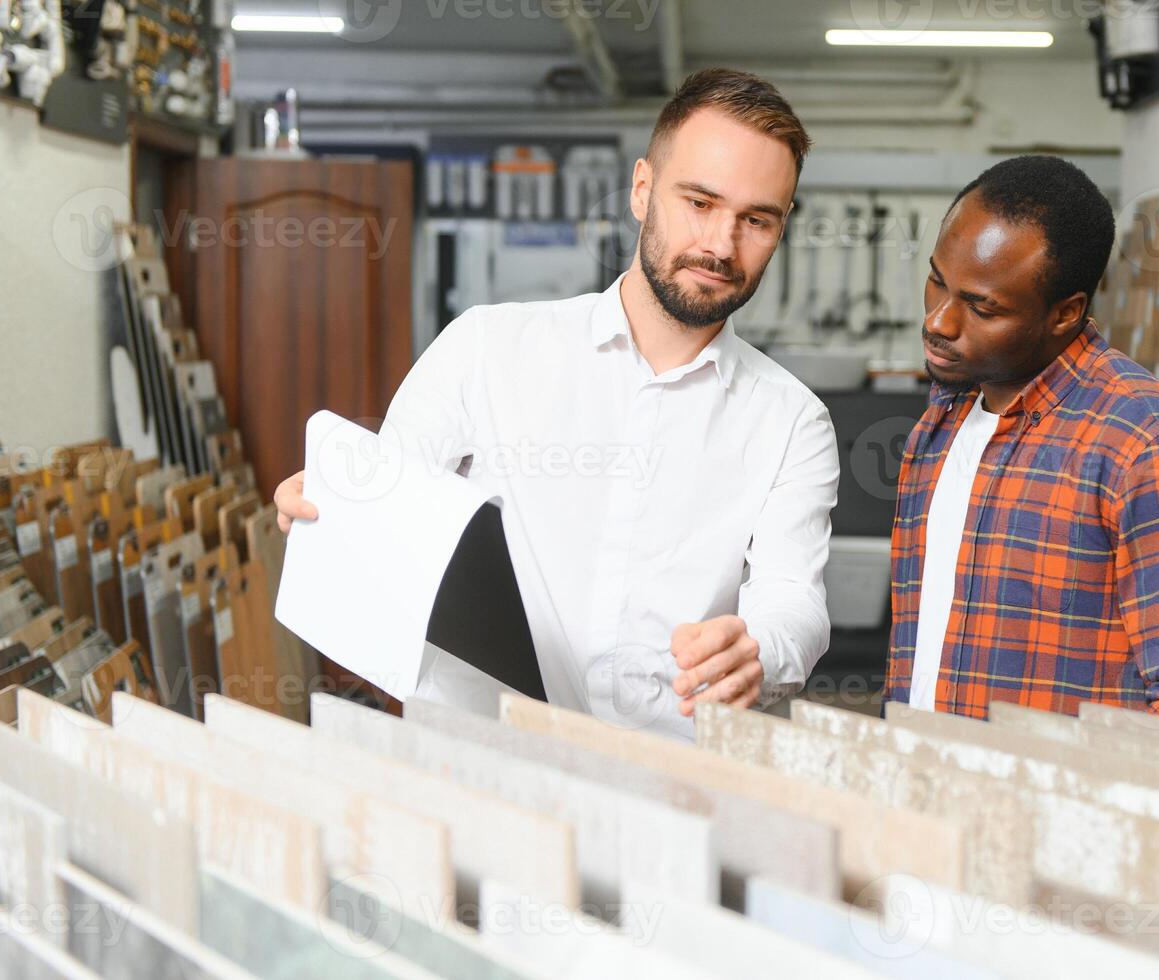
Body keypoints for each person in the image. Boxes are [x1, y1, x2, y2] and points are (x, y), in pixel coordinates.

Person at [274, 69, 839, 740]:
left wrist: (758, 650)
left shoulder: (791, 420)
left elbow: (793, 598)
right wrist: (329, 509)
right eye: (699, 202)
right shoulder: (485, 346)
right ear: (641, 190)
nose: (720, 244)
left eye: (755, 220)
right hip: (476, 765)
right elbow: (385, 512)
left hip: (665, 781)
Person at [887, 155, 1159, 719]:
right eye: (938, 280)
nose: (939, 321)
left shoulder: (1150, 449)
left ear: (1066, 313)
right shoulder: (942, 422)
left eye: (981, 306)